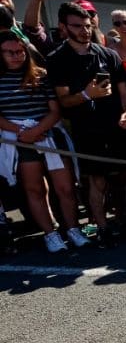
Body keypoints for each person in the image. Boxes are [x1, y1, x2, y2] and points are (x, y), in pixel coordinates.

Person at [47, 1, 126, 246]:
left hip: (117, 127)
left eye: (88, 25)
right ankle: (101, 230)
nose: (84, 30)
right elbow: (63, 101)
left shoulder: (108, 54)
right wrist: (88, 95)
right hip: (87, 130)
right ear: (63, 26)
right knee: (97, 182)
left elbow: (124, 93)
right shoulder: (57, 58)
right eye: (77, 26)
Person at [0, 31, 88, 252]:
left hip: (49, 133)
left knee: (66, 187)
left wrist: (39, 129)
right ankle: (50, 234)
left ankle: (73, 229)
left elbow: (55, 110)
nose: (16, 56)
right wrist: (22, 131)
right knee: (35, 189)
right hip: (18, 139)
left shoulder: (41, 75)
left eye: (20, 51)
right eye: (10, 52)